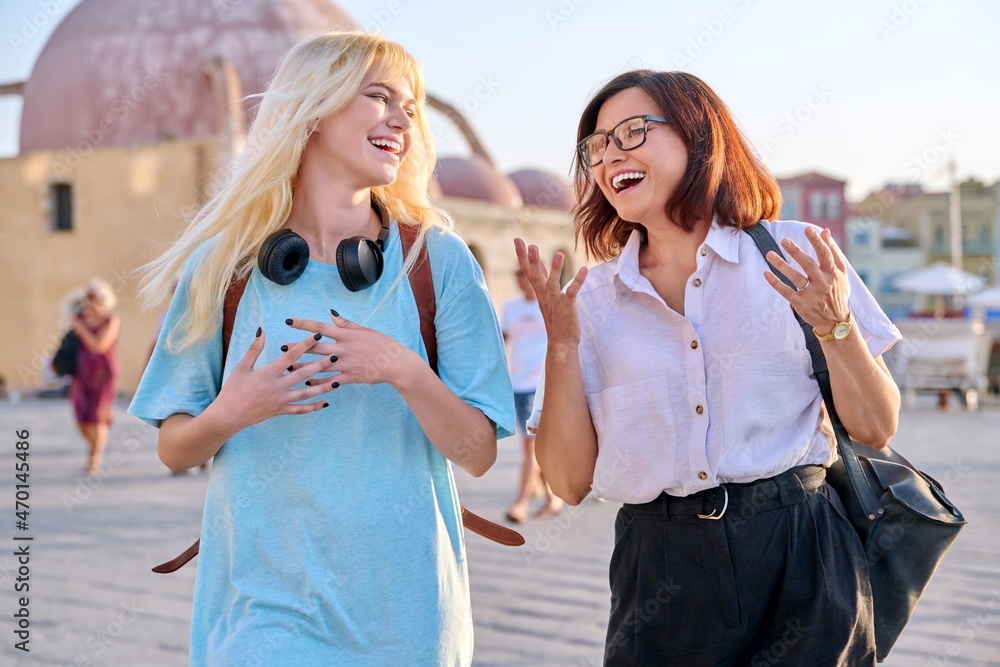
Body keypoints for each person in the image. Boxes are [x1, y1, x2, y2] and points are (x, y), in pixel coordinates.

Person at [128, 32, 514, 666]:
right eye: (378, 95)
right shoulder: (222, 269)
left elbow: (477, 456)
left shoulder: (438, 263)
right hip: (260, 612)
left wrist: (403, 370)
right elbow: (175, 449)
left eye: (410, 106)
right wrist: (232, 411)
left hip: (407, 618)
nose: (401, 117)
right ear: (312, 110)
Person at [517, 70, 901, 666]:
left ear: (699, 137)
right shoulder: (590, 300)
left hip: (801, 546)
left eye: (633, 131)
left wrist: (833, 323)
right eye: (596, 145)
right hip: (660, 566)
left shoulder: (794, 253)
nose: (610, 153)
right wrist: (561, 349)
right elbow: (568, 483)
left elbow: (876, 427)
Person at [501, 269, 562, 522]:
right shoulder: (511, 308)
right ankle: (552, 498)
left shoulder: (548, 305)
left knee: (531, 447)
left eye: (526, 275)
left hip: (542, 386)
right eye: (518, 276)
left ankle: (520, 503)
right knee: (535, 446)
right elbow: (500, 341)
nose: (521, 281)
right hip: (518, 385)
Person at [69, 278, 121, 475]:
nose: (89, 301)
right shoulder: (79, 318)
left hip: (103, 376)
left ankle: (95, 458)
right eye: (87, 297)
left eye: (94, 297)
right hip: (81, 376)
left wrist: (79, 327)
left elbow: (98, 346)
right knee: (80, 418)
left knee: (98, 417)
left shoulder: (111, 320)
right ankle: (95, 448)